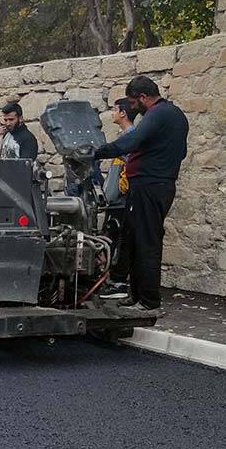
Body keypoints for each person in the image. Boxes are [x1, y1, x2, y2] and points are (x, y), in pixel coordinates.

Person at [91, 76, 188, 310]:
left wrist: (96, 152)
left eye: (134, 104)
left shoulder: (158, 114)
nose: (133, 109)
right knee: (135, 241)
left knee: (146, 242)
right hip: (153, 184)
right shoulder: (173, 115)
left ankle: (148, 300)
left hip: (150, 185)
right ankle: (136, 295)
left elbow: (132, 140)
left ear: (143, 98)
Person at [98, 98, 141, 300]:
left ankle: (118, 282)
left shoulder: (130, 137)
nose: (112, 113)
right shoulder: (125, 136)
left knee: (120, 240)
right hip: (116, 199)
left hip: (122, 200)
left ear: (123, 113)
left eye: (115, 109)